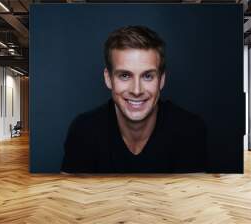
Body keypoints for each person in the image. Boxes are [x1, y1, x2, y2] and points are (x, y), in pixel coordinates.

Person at [61, 25, 207, 173]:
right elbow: (70, 196)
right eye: (125, 75)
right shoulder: (84, 131)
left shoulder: (189, 130)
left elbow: (193, 196)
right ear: (108, 78)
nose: (136, 90)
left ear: (162, 80)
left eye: (148, 76)